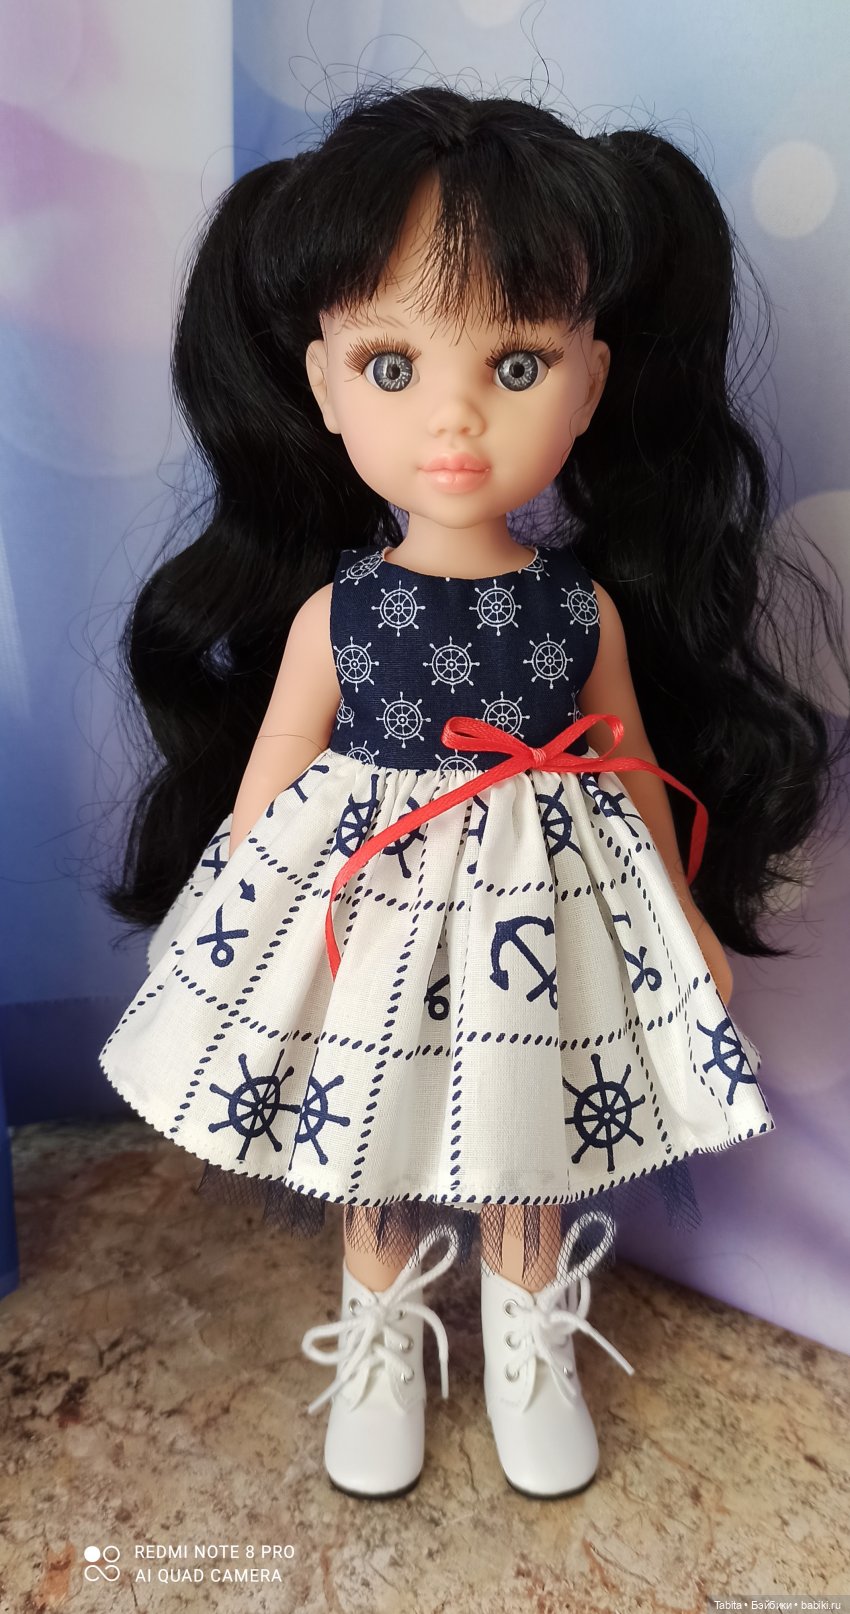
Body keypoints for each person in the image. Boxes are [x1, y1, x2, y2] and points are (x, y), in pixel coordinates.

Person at [100, 86, 847, 1501]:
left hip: (538, 908)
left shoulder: (577, 611)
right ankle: (381, 1335)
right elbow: (271, 779)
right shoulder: (339, 612)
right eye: (390, 364)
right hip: (370, 898)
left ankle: (526, 1338)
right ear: (324, 385)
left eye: (515, 362)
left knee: (527, 1131)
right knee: (366, 1132)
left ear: (589, 382)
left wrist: (683, 919)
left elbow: (625, 764)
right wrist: (238, 921)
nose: (451, 415)